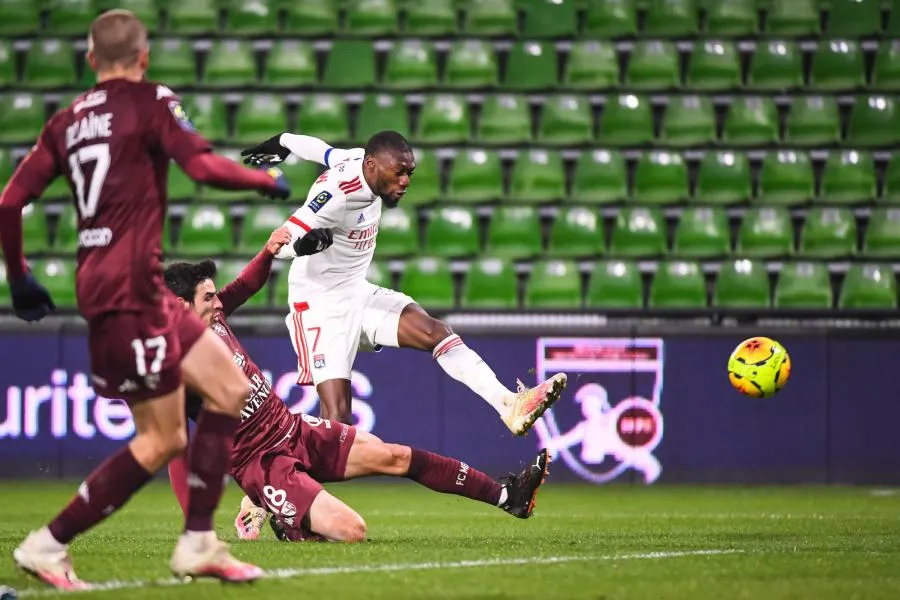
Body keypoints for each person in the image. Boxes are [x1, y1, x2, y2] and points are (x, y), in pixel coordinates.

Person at [0, 10, 292, 589]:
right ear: (144, 56)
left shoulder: (65, 122)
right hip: (127, 292)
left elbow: (9, 203)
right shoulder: (153, 101)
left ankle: (200, 543)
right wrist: (267, 182)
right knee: (163, 439)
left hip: (129, 287)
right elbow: (203, 167)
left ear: (90, 61)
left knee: (230, 388)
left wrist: (19, 275)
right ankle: (47, 545)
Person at [161, 236, 551, 543]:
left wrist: (268, 251)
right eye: (208, 297)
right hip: (261, 463)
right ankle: (289, 519)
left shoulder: (213, 320)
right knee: (353, 530)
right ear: (180, 306)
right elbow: (177, 452)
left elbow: (245, 285)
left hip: (293, 429)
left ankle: (508, 497)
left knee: (396, 456)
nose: (217, 302)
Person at [240, 131, 568, 435]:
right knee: (338, 424)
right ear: (372, 166)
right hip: (319, 303)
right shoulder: (335, 195)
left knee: (435, 332)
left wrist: (282, 140)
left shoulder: (357, 158)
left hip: (355, 289)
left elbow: (322, 151)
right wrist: (304, 245)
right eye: (398, 172)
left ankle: (509, 405)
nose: (405, 180)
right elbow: (278, 243)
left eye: (409, 172)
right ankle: (270, 490)